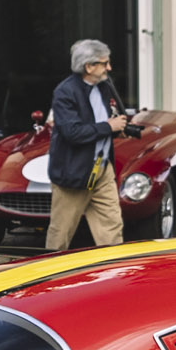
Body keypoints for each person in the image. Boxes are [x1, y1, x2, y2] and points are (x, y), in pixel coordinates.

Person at [44, 39, 126, 253]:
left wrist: (119, 127)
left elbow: (109, 118)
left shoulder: (105, 86)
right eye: (104, 63)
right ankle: (50, 276)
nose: (109, 68)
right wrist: (108, 127)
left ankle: (112, 273)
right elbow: (73, 133)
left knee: (112, 227)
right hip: (74, 172)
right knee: (61, 233)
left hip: (102, 169)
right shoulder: (65, 92)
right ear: (89, 67)